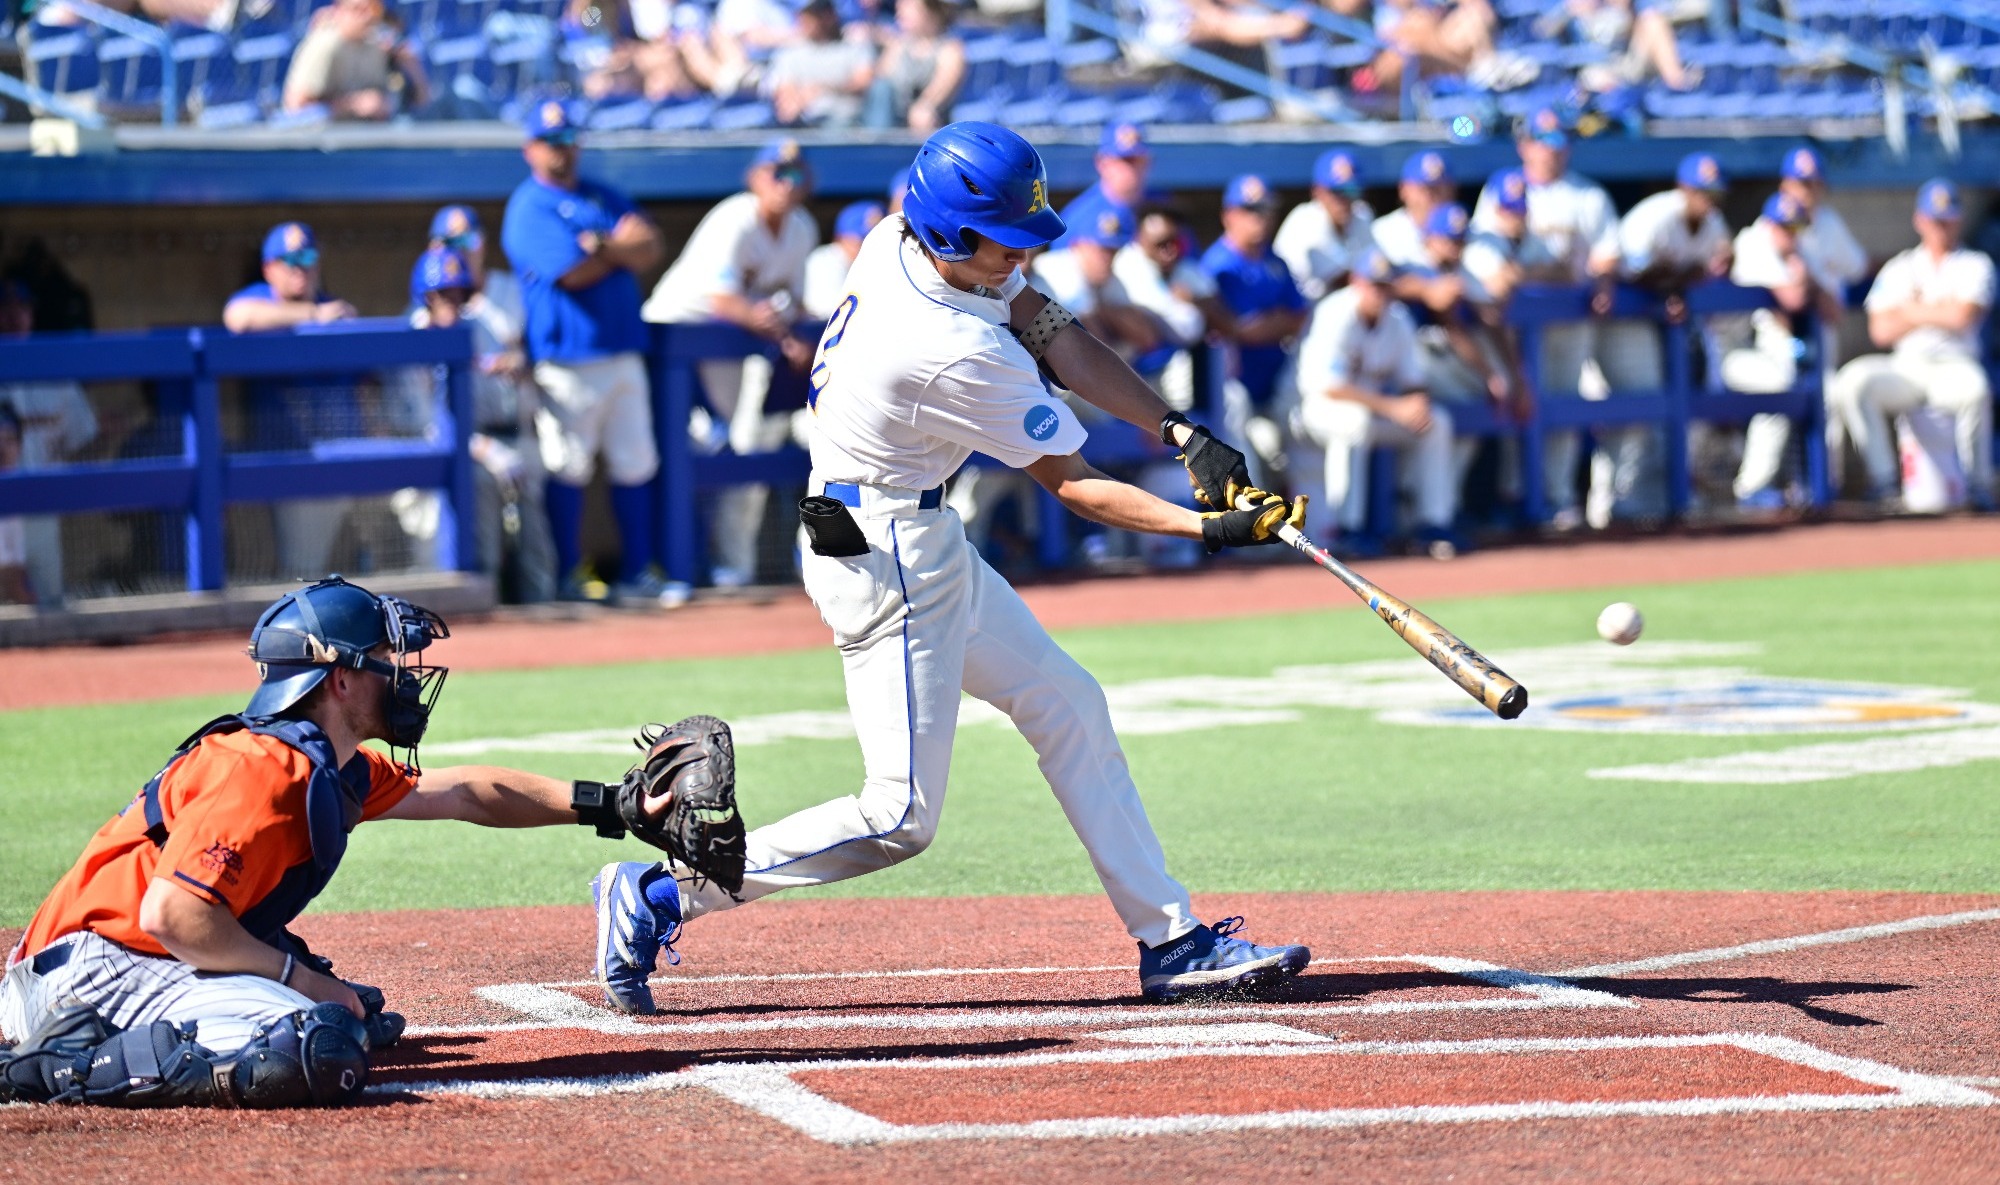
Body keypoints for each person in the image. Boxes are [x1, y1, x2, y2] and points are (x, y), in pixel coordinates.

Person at [590, 122, 1313, 1015]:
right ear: (952, 235)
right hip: (885, 556)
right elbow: (1078, 487)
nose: (1023, 256)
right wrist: (1208, 526)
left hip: (911, 533)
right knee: (898, 817)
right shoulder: (949, 351)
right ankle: (660, 896)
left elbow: (1054, 326)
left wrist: (1178, 431)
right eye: (1007, 241)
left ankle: (1170, 939)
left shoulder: (905, 239)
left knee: (1067, 701)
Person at [0, 577, 739, 1109]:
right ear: (342, 679)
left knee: (340, 1015)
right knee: (315, 1041)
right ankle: (50, 1066)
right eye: (386, 660)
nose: (404, 676)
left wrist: (613, 803)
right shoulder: (259, 767)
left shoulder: (330, 763)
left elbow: (466, 793)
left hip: (124, 959)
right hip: (90, 976)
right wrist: (311, 983)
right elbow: (174, 917)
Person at [502, 101, 669, 604]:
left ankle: (639, 572)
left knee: (636, 463)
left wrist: (604, 249)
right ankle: (568, 575)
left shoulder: (601, 194)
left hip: (621, 350)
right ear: (530, 149)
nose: (562, 149)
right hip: (566, 360)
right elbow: (570, 274)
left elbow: (651, 247)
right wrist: (619, 254)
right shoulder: (529, 205)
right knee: (567, 467)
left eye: (568, 139)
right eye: (551, 141)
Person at [644, 137, 819, 589]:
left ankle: (712, 565)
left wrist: (788, 329)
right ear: (755, 178)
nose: (786, 183)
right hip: (673, 336)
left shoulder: (800, 226)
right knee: (666, 455)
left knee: (726, 451)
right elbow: (723, 301)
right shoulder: (736, 218)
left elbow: (793, 302)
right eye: (777, 173)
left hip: (731, 347)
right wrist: (782, 334)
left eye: (795, 174)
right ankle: (665, 568)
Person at [1471, 107, 1621, 531]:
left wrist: (1597, 280)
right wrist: (1542, 273)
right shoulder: (1503, 188)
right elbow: (1491, 267)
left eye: (1558, 143)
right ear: (1524, 145)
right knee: (1515, 409)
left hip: (1568, 323)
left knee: (1564, 407)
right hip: (1512, 330)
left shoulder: (1587, 195)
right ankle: (1513, 496)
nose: (1550, 152)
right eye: (1541, 142)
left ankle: (1558, 497)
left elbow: (1598, 261)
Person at [404, 246, 560, 603]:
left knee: (536, 539)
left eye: (461, 293)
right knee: (480, 545)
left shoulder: (481, 324)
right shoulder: (413, 338)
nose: (453, 302)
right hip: (452, 453)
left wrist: (515, 362)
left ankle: (545, 615)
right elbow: (426, 422)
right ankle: (488, 613)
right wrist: (487, 449)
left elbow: (519, 359)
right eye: (444, 294)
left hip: (509, 438)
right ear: (425, 297)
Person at [1829, 180, 1995, 511]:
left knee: (1977, 390)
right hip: (1906, 366)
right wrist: (1937, 310)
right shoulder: (1901, 266)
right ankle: (1885, 481)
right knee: (1852, 382)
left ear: (1958, 220)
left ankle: (1978, 486)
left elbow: (1963, 316)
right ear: (1920, 220)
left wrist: (1908, 310)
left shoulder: (1975, 264)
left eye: (1948, 219)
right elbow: (1880, 330)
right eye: (1935, 220)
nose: (1942, 228)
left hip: (1954, 365)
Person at [223, 222, 371, 581]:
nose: (299, 266)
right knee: (301, 574)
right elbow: (237, 318)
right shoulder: (262, 300)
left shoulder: (336, 309)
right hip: (293, 465)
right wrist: (311, 317)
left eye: (307, 257)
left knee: (378, 564)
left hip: (351, 461)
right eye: (288, 259)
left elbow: (367, 388)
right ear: (268, 268)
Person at [1291, 248, 1459, 558]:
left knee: (1436, 422)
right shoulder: (1334, 312)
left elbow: (1413, 379)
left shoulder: (1397, 318)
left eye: (1384, 285)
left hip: (1373, 410)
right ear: (1357, 282)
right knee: (1354, 422)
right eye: (1373, 284)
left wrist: (1418, 402)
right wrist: (1394, 407)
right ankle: (1347, 529)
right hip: (1312, 409)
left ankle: (1433, 525)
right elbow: (1329, 387)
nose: (1379, 293)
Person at [1597, 150, 1733, 526]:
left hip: (1661, 323)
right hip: (1620, 321)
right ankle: (1610, 504)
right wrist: (1675, 282)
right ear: (1683, 188)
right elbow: (1631, 275)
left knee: (1665, 412)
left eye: (1714, 193)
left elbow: (1711, 267)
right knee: (1632, 411)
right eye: (1701, 192)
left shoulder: (1714, 222)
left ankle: (1647, 503)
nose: (1708, 201)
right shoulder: (1655, 218)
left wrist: (1679, 282)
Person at [1717, 192, 1847, 511]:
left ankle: (1810, 484)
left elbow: (1833, 311)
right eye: (1783, 227)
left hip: (1754, 353)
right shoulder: (1754, 244)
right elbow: (1792, 299)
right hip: (1715, 353)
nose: (1789, 234)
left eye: (1795, 227)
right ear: (1768, 225)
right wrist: (1808, 282)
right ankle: (1752, 487)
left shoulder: (1799, 251)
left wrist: (1810, 281)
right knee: (1779, 385)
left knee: (1812, 389)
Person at [1201, 173, 1309, 482]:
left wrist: (1266, 324)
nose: (1260, 218)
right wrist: (1274, 321)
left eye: (1265, 210)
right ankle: (1250, 525)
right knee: (1251, 454)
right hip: (1232, 388)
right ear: (1228, 215)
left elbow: (1299, 318)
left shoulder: (1275, 261)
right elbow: (1240, 330)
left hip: (1276, 380)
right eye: (1251, 210)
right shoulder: (1218, 265)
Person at [0, 279, 97, 607]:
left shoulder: (55, 370)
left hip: (43, 505)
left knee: (50, 603)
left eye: (22, 308)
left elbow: (84, 441)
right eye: (6, 309)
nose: (15, 317)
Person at [281, 0, 427, 121]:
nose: (368, 16)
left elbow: (422, 100)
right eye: (358, 10)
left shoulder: (378, 44)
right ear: (339, 12)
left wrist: (413, 68)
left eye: (373, 9)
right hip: (321, 145)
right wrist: (354, 105)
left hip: (367, 142)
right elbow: (295, 108)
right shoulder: (325, 44)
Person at [1274, 150, 1377, 303]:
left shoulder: (1362, 215)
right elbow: (1347, 280)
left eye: (1351, 189)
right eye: (1336, 191)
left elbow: (1375, 267)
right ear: (1317, 191)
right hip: (1300, 312)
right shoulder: (1305, 221)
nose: (1344, 199)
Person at [1052, 122, 1163, 251]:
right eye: (1125, 160)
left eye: (1137, 159)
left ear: (1148, 161)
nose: (1132, 168)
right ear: (1101, 162)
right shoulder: (1078, 218)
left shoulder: (1164, 208)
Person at [763, 0, 875, 127]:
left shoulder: (853, 45)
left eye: (814, 15)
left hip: (846, 120)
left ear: (829, 16)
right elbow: (785, 92)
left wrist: (823, 89)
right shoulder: (790, 52)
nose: (805, 21)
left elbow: (864, 81)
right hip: (805, 122)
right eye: (804, 15)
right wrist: (799, 101)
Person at [863, 0, 964, 132]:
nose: (899, 9)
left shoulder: (950, 49)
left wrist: (923, 106)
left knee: (923, 117)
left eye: (908, 4)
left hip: (928, 126)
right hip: (890, 123)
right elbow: (880, 85)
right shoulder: (897, 46)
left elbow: (941, 88)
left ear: (930, 10)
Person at [805, 200, 886, 320]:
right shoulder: (824, 261)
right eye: (861, 239)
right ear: (839, 238)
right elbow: (830, 315)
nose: (870, 246)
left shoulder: (882, 264)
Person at [0, 404, 30, 606]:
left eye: (9, 440)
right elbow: (8, 578)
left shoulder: (32, 494)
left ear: (20, 445)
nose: (1, 449)